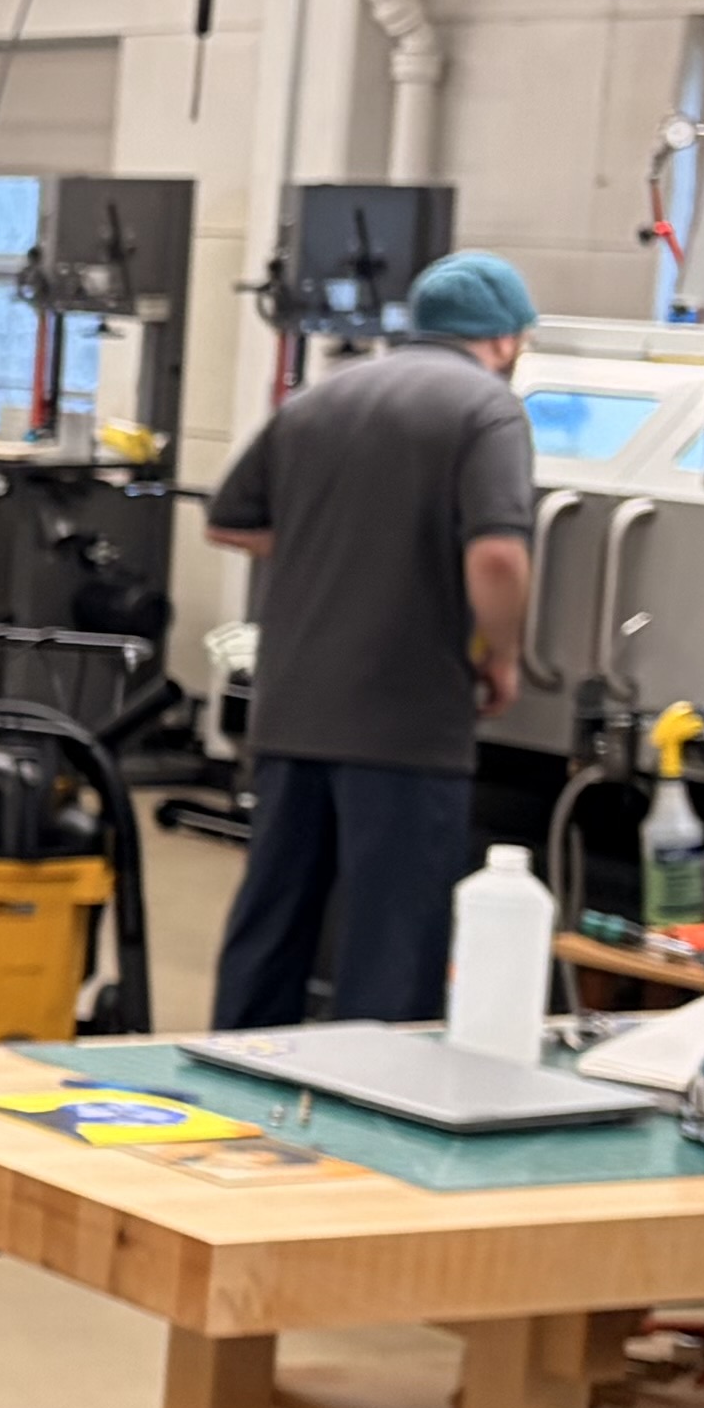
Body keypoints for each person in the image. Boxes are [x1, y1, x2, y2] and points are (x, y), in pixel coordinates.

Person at [196, 243, 540, 1028]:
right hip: (405, 720)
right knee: (392, 937)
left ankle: (233, 1083)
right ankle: (374, 1116)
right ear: (506, 338)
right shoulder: (487, 409)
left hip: (293, 710)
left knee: (274, 918)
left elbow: (228, 521)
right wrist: (505, 657)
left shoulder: (319, 399)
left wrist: (332, 540)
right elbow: (495, 554)